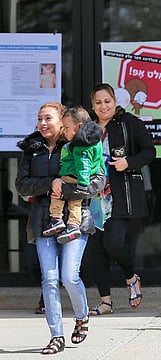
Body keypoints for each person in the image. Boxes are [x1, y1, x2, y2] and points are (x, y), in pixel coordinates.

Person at [16, 102, 105, 354]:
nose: (42, 124)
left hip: (75, 219)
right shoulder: (32, 149)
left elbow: (98, 182)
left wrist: (64, 189)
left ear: (62, 121)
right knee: (50, 279)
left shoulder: (80, 143)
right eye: (39, 119)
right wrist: (51, 183)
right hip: (43, 221)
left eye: (48, 119)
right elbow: (22, 185)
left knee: (69, 275)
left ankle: (82, 315)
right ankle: (56, 335)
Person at [82, 82, 155, 316]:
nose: (103, 106)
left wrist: (128, 163)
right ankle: (105, 301)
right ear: (92, 105)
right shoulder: (88, 128)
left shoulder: (129, 123)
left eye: (107, 101)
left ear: (115, 101)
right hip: (91, 197)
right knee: (95, 252)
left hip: (120, 194)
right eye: (98, 102)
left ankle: (131, 277)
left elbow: (149, 152)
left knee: (113, 242)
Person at [42, 107, 104, 244]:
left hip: (73, 176)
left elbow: (84, 164)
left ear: (79, 126)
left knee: (57, 193)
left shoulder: (80, 145)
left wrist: (82, 184)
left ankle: (56, 219)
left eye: (67, 128)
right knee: (75, 203)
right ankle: (74, 225)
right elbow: (99, 162)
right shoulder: (95, 140)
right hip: (84, 178)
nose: (64, 131)